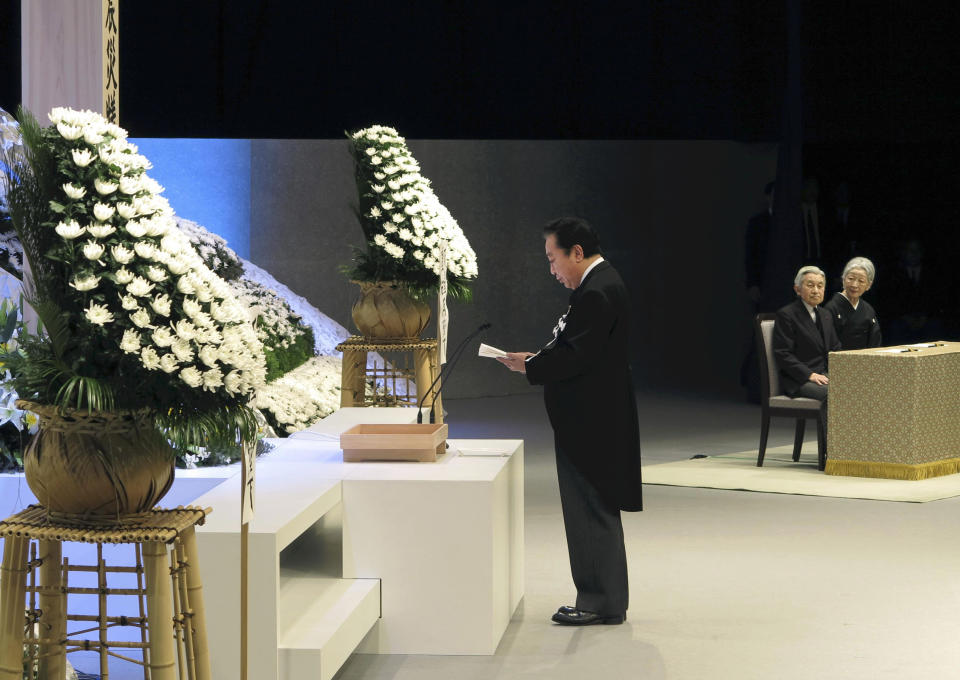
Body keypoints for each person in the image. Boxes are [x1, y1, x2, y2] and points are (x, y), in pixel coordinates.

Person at [496, 217, 642, 626]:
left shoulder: (598, 291)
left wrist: (532, 367)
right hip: (593, 417)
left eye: (553, 258)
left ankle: (600, 601)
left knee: (590, 509)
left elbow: (577, 357)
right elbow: (575, 348)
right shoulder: (601, 284)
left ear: (576, 252)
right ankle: (600, 598)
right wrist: (535, 361)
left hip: (591, 421)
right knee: (590, 509)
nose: (552, 269)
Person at [773, 265, 841, 402]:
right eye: (810, 285)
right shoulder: (787, 314)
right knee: (837, 396)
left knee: (858, 389)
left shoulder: (826, 314)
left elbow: (835, 348)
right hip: (800, 379)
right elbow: (783, 353)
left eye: (820, 286)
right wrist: (810, 374)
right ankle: (829, 425)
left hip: (825, 375)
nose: (816, 290)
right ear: (797, 289)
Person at [823, 257, 882, 350]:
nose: (854, 285)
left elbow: (875, 343)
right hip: (839, 361)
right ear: (843, 279)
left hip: (866, 361)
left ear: (869, 285)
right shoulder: (831, 308)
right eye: (851, 278)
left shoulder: (868, 310)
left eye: (861, 281)